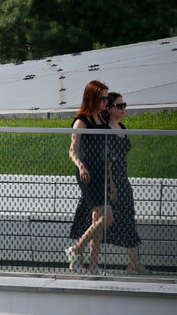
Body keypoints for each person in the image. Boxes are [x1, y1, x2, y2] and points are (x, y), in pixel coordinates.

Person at [89, 92, 149, 274]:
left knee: (128, 220)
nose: (123, 109)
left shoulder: (121, 127)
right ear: (109, 108)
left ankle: (134, 262)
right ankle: (93, 263)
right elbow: (102, 158)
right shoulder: (104, 129)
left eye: (124, 105)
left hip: (123, 180)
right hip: (108, 181)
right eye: (119, 106)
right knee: (99, 223)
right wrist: (111, 183)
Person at [66, 79, 113, 273]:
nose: (105, 103)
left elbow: (106, 152)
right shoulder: (82, 121)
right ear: (92, 98)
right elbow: (72, 150)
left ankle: (93, 265)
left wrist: (111, 181)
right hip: (87, 173)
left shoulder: (102, 120)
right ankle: (76, 249)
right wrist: (81, 166)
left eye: (107, 99)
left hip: (102, 172)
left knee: (98, 221)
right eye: (102, 99)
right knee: (107, 217)